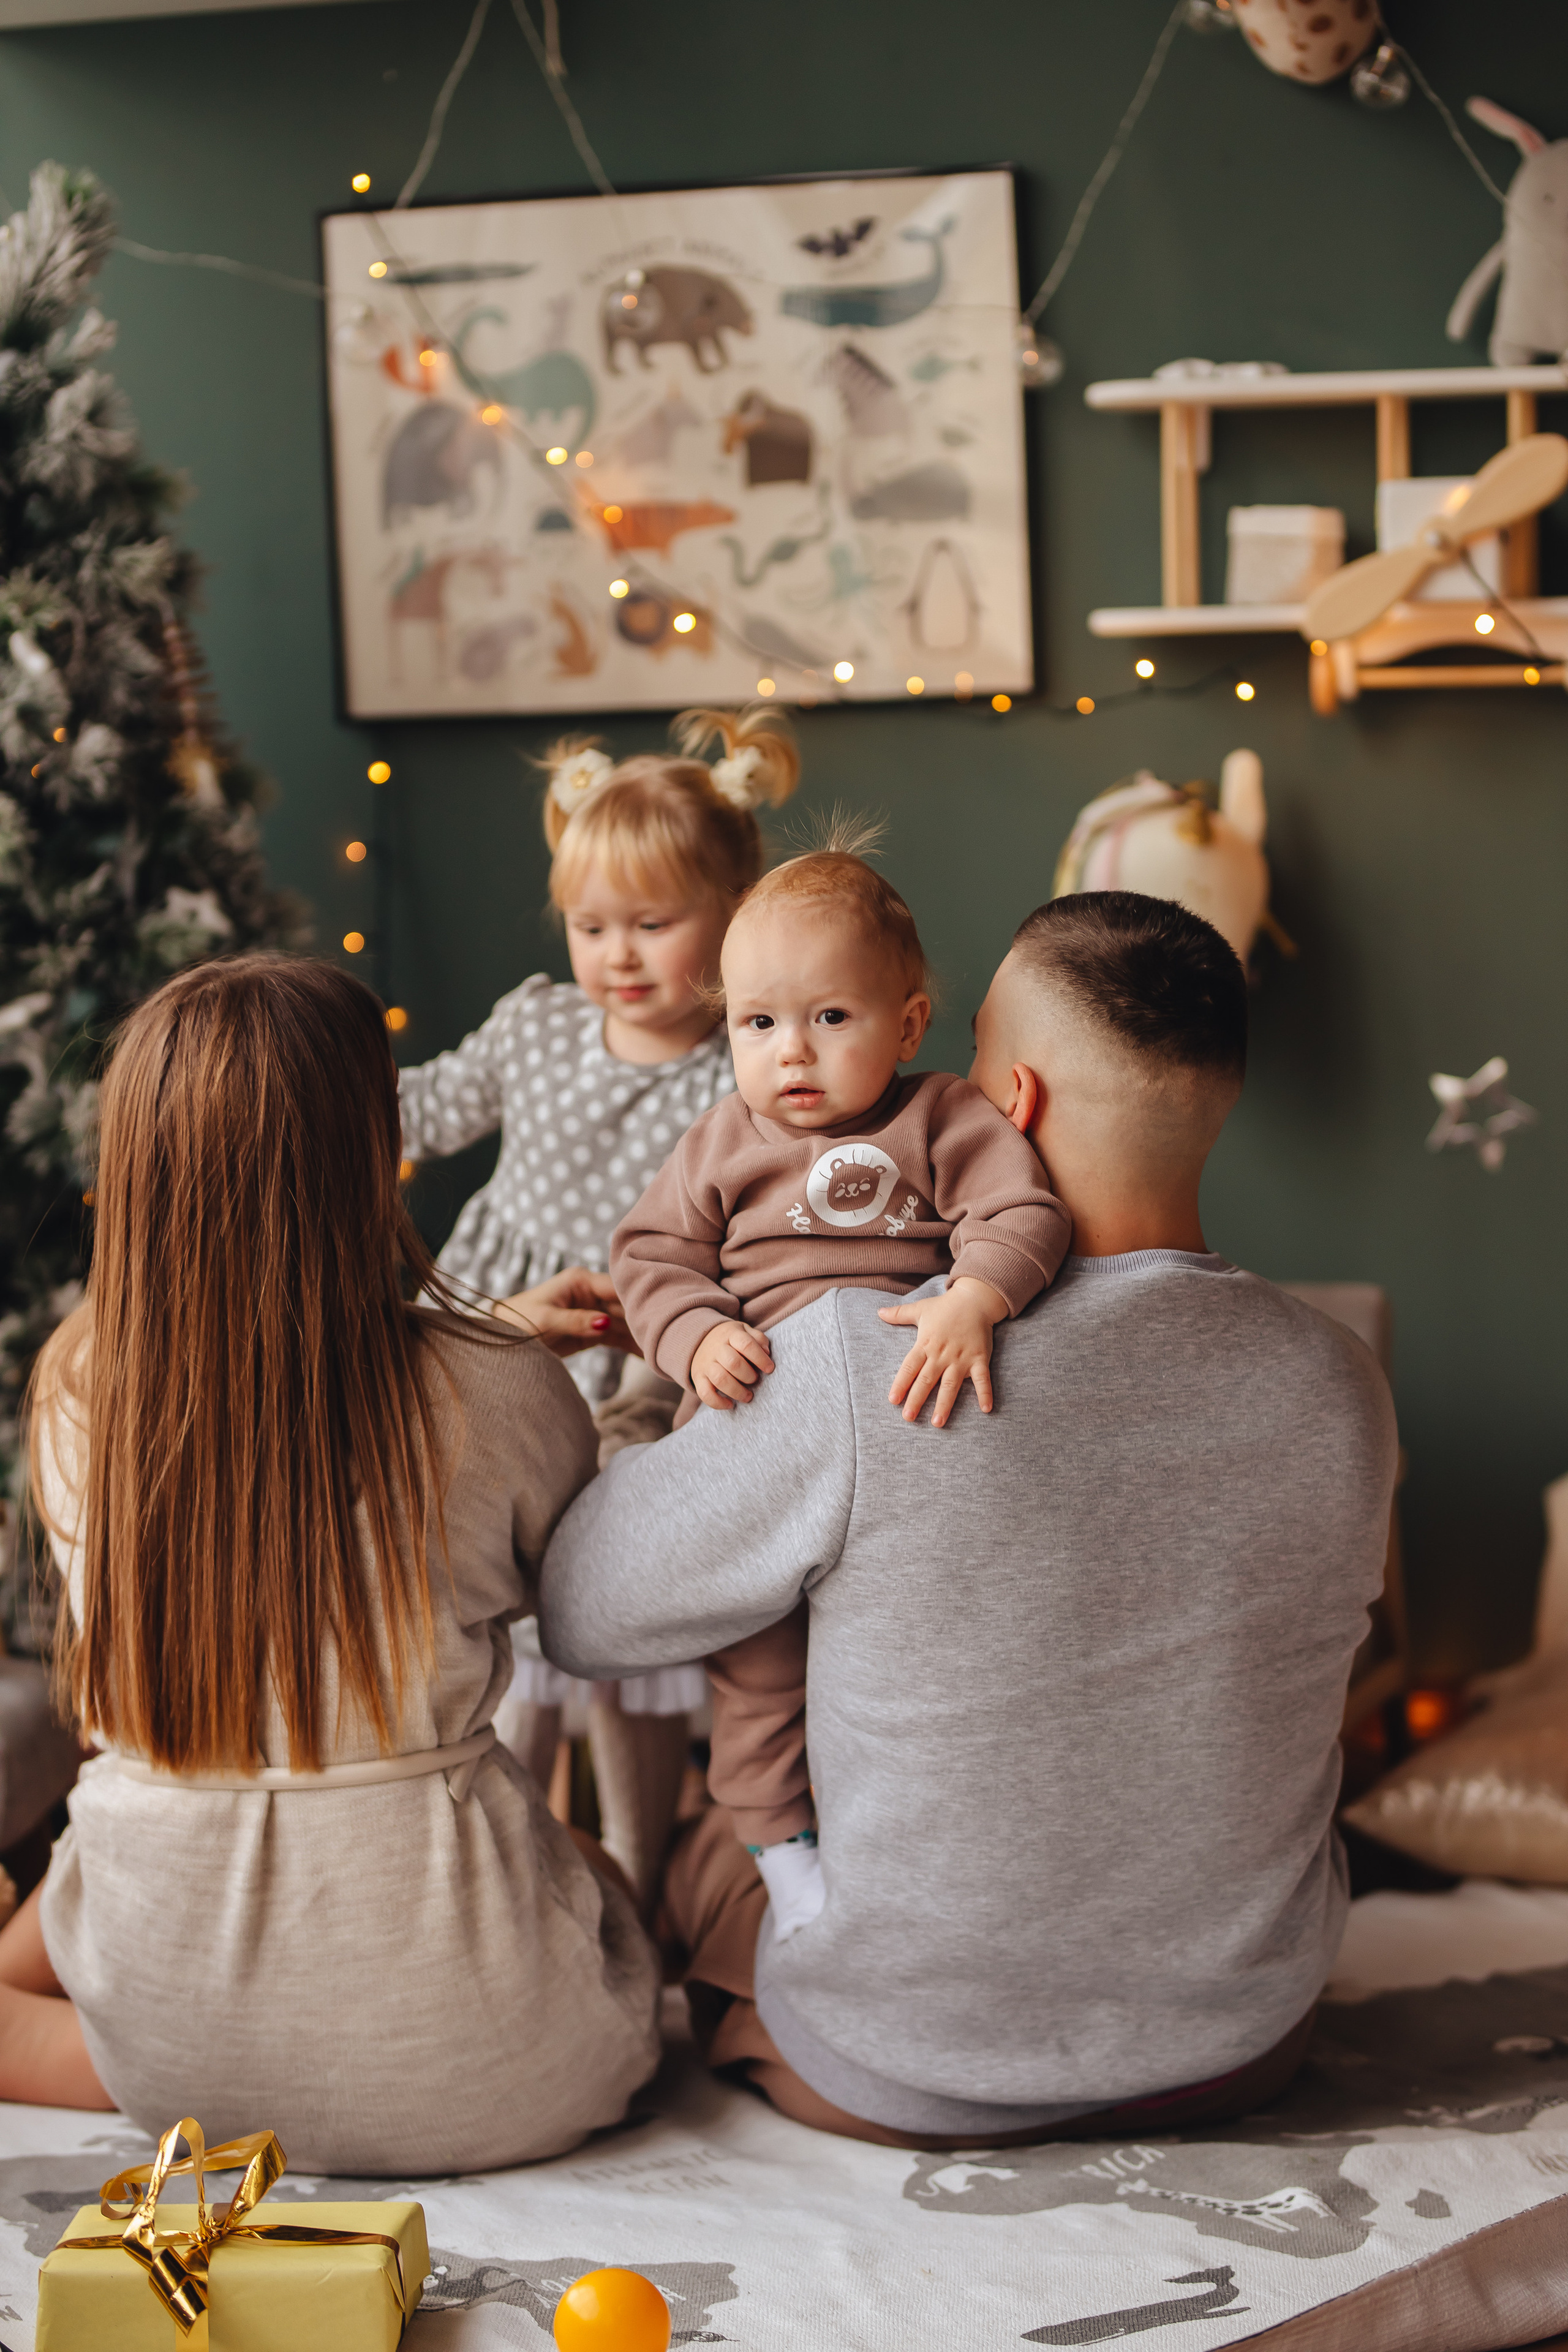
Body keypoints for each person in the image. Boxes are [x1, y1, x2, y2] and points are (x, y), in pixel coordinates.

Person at [541, 890, 1399, 2149]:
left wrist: (656, 1412)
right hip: (1239, 2045)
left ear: (1015, 1102)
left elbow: (581, 1609)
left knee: (698, 1843)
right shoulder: (1341, 1387)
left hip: (908, 2069)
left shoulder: (858, 1358)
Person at [1, 954, 660, 2172]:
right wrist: (505, 1351)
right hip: (497, 2072)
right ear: (372, 1151)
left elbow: (284, 1434)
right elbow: (578, 1597)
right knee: (628, 1879)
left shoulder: (75, 1384)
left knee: (137, 1819)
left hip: (165, 2040)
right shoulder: (495, 1389)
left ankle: (234, 2080)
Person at [611, 831, 1068, 1936]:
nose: (792, 1055)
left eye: (830, 1018)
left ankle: (916, 1850)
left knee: (902, 1675)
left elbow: (1024, 1214)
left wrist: (976, 1297)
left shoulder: (942, 1118)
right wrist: (695, 1336)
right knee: (760, 1680)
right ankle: (784, 1855)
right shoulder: (719, 1140)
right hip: (753, 1441)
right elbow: (649, 1261)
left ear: (908, 1023)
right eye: (758, 1024)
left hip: (903, 1463)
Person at [398, 707, 797, 1901]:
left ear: (731, 919)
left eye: (652, 924)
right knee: (497, 1599)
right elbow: (422, 1109)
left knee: (613, 1602)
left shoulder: (739, 1062)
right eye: (590, 926)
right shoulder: (536, 1025)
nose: (616, 955)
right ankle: (498, 1873)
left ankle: (633, 1876)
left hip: (639, 1361)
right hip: (504, 1330)